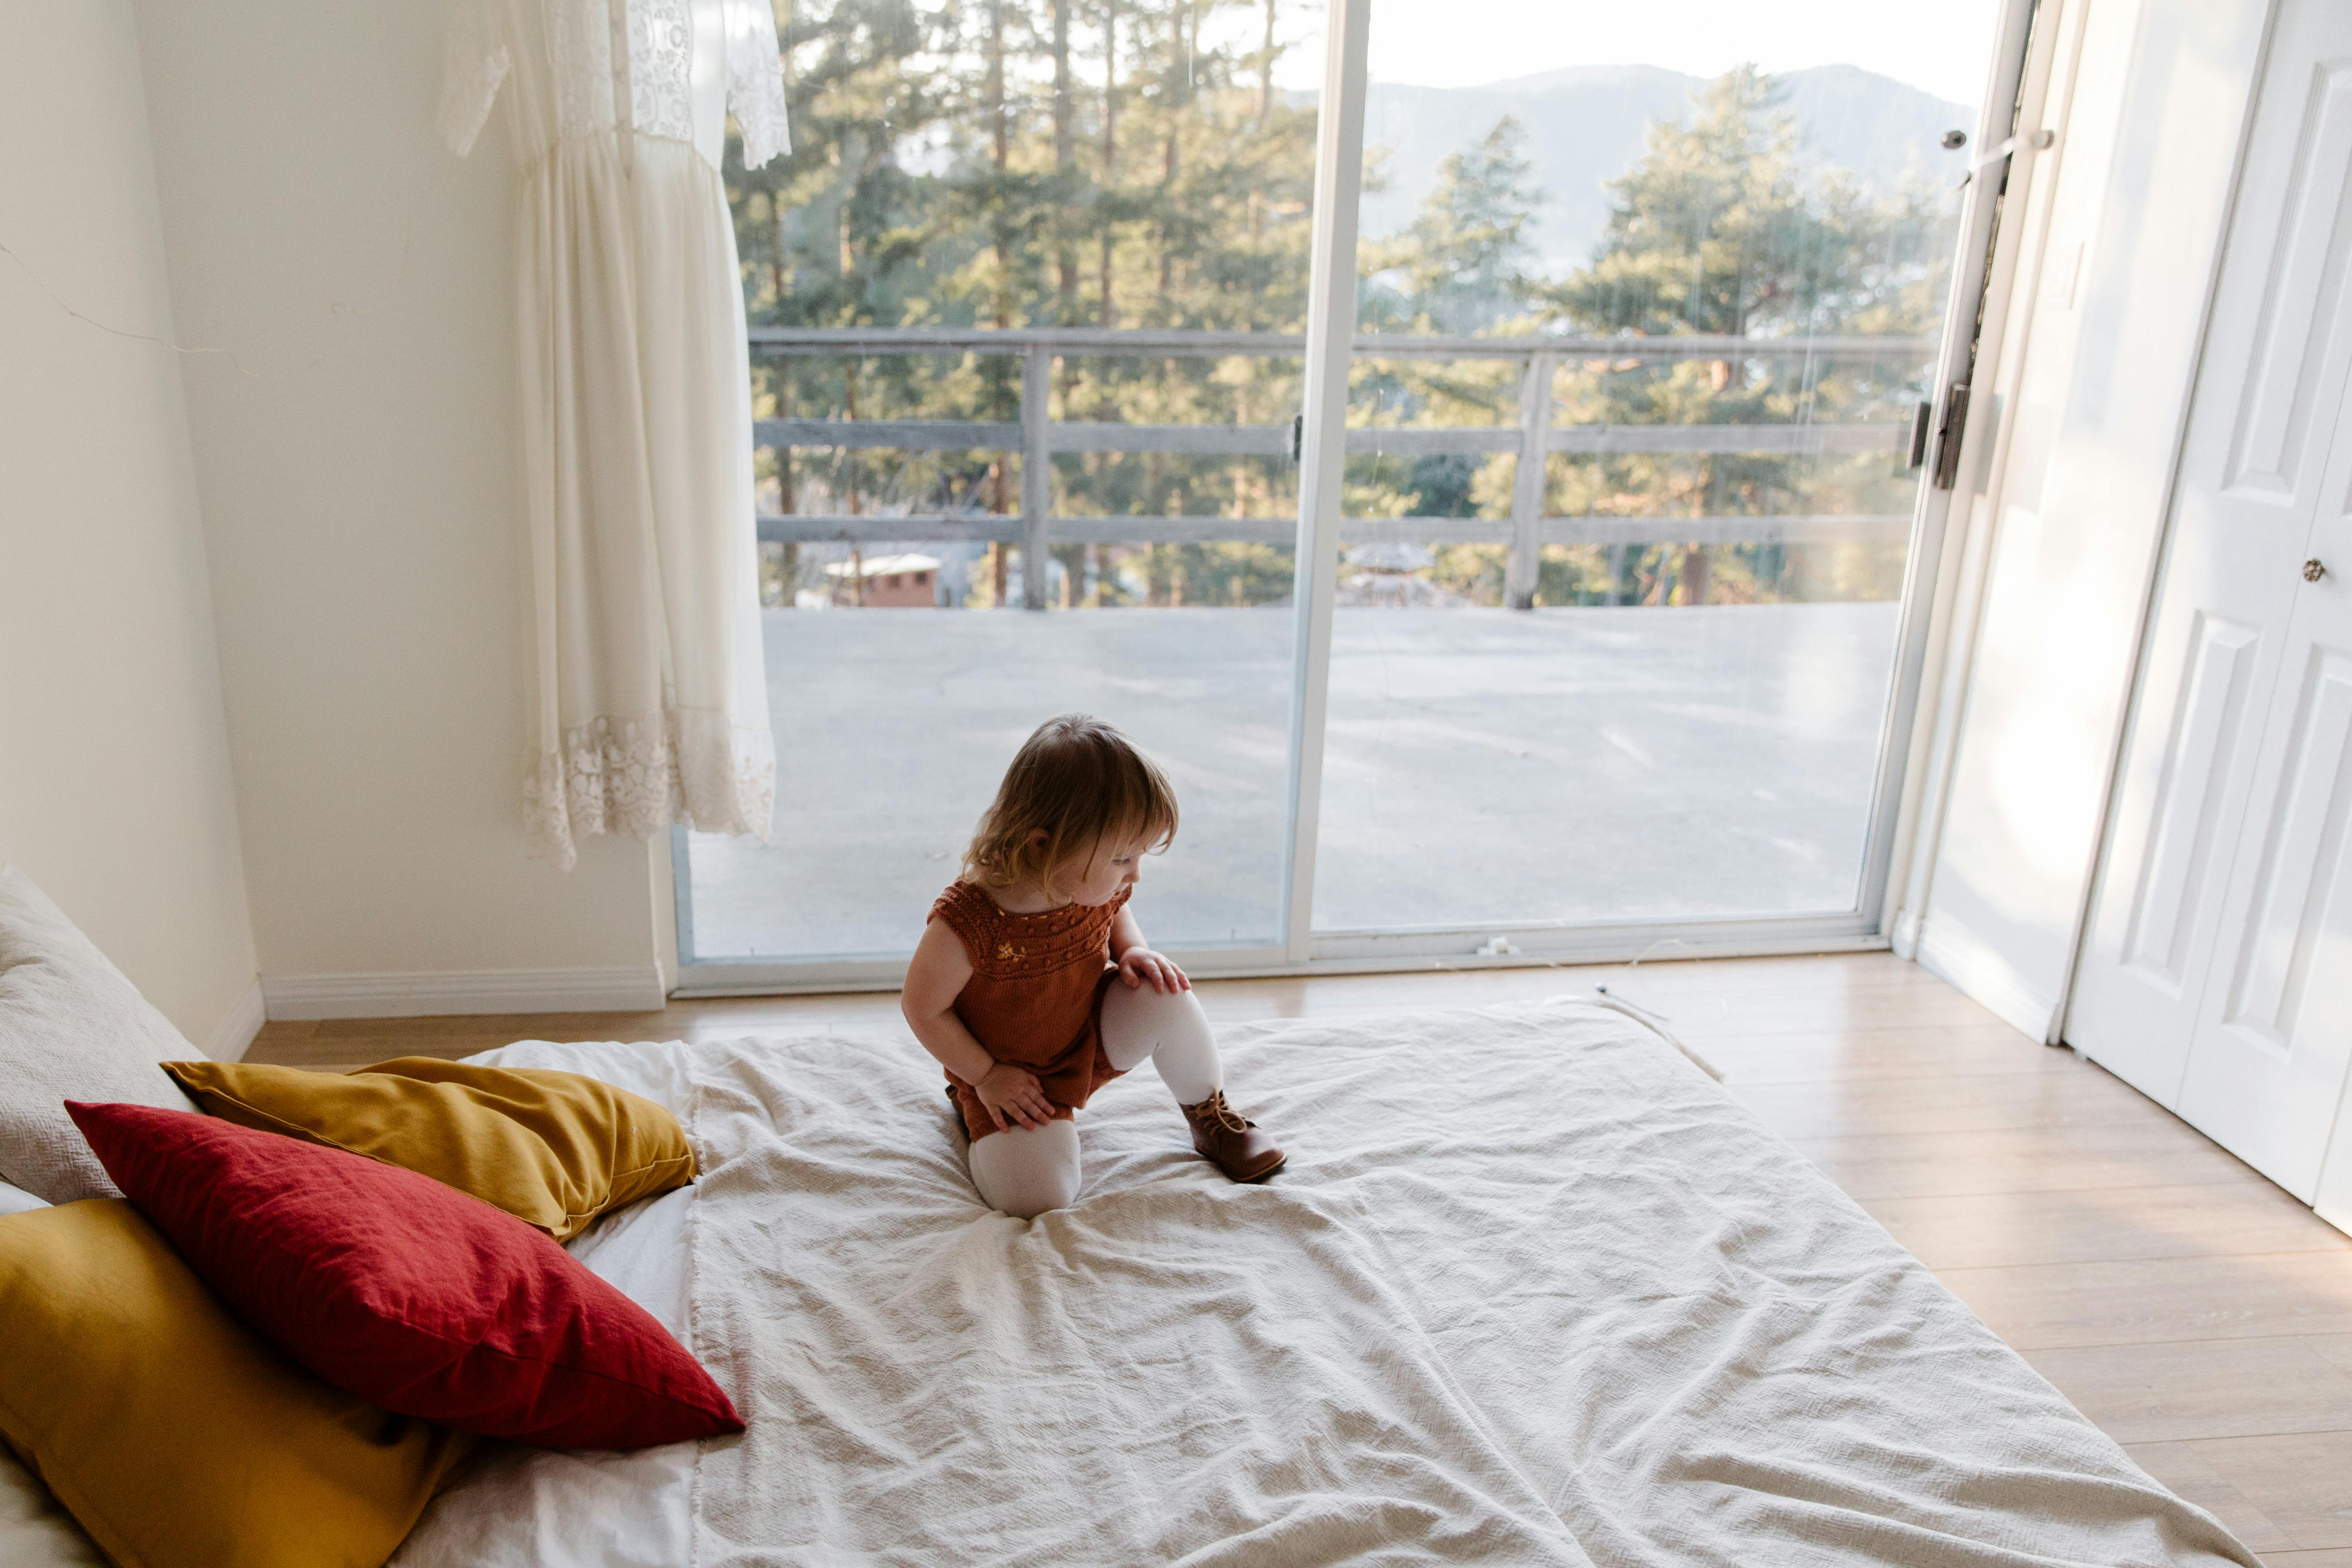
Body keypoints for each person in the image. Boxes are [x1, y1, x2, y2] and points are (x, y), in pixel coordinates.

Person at [901, 714, 1285, 1218]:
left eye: (1140, 856)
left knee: (1164, 990)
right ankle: (972, 1105)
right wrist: (987, 1074)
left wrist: (1133, 952)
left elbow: (1116, 910)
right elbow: (922, 1008)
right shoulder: (971, 920)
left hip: (1087, 1040)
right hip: (1015, 1078)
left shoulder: (1089, 882)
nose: (1136, 875)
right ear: (1043, 845)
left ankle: (1210, 1115)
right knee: (1036, 1200)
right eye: (1123, 858)